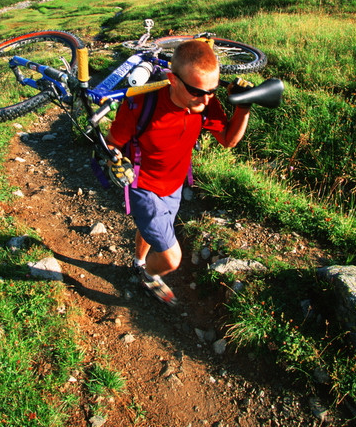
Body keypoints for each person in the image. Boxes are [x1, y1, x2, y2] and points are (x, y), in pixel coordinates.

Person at [106, 39, 251, 306]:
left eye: (212, 90)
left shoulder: (205, 100)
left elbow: (228, 140)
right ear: (173, 79)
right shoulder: (141, 103)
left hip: (174, 184)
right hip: (143, 186)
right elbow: (113, 142)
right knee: (171, 259)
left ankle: (139, 262)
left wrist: (243, 107)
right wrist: (113, 159)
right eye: (197, 91)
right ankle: (149, 275)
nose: (206, 99)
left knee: (155, 232)